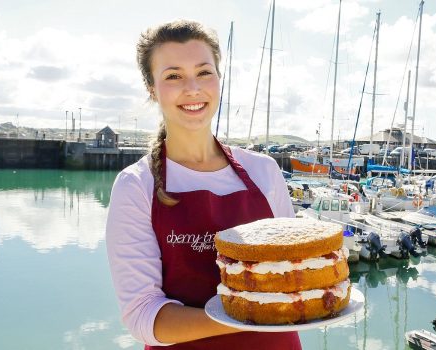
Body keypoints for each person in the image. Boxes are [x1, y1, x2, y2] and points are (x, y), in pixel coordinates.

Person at [105, 20, 300, 349]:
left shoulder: (264, 171)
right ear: (152, 89)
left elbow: (292, 269)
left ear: (219, 79)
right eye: (173, 76)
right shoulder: (136, 186)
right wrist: (250, 316)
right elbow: (143, 315)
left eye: (204, 72)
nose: (193, 87)